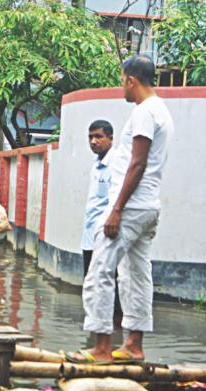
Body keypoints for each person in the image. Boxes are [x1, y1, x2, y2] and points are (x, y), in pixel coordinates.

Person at [68, 55, 174, 363]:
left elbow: (137, 163)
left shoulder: (144, 112)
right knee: (135, 274)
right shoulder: (162, 111)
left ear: (131, 80)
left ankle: (102, 347)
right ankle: (133, 345)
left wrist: (116, 209)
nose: (121, 86)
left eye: (122, 80)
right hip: (148, 207)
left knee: (100, 271)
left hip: (130, 207)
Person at [82, 120, 122, 324]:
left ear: (110, 138)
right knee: (92, 283)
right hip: (90, 235)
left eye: (98, 136)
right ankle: (97, 328)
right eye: (90, 137)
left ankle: (111, 330)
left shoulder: (116, 164)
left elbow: (117, 200)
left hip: (105, 234)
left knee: (106, 282)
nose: (93, 141)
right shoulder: (96, 166)